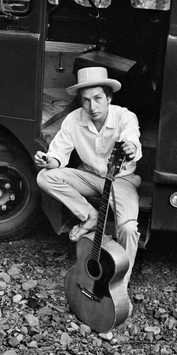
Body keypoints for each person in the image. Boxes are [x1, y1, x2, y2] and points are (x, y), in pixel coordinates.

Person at [35, 66, 142, 295]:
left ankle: (120, 284)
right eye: (85, 101)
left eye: (97, 99)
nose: (92, 107)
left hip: (121, 180)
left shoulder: (124, 116)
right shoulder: (74, 119)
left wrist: (130, 147)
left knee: (128, 228)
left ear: (109, 98)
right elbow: (58, 156)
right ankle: (89, 216)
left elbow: (131, 136)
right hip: (90, 176)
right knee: (45, 177)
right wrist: (48, 160)